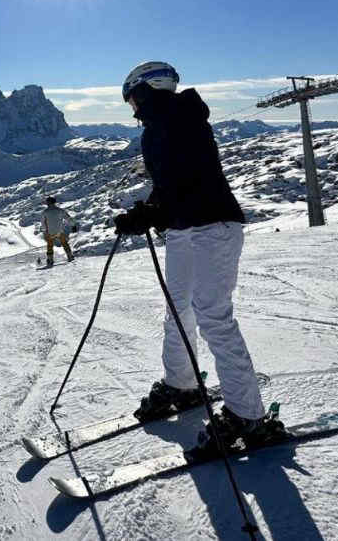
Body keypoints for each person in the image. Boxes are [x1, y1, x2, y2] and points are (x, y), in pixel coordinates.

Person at [114, 61, 277, 446]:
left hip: (213, 224)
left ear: (145, 91)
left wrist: (152, 213)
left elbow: (191, 179)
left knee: (212, 314)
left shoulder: (182, 119)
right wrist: (149, 211)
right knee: (178, 307)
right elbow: (171, 183)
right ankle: (181, 383)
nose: (132, 109)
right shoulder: (159, 127)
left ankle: (247, 414)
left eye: (132, 99)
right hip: (183, 228)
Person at [42, 196, 76, 266]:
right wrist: (73, 225)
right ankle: (70, 256)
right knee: (65, 243)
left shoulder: (45, 212)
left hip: (50, 232)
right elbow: (68, 218)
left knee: (50, 245)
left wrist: (45, 231)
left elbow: (43, 223)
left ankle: (50, 260)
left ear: (48, 203)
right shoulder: (60, 210)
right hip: (59, 231)